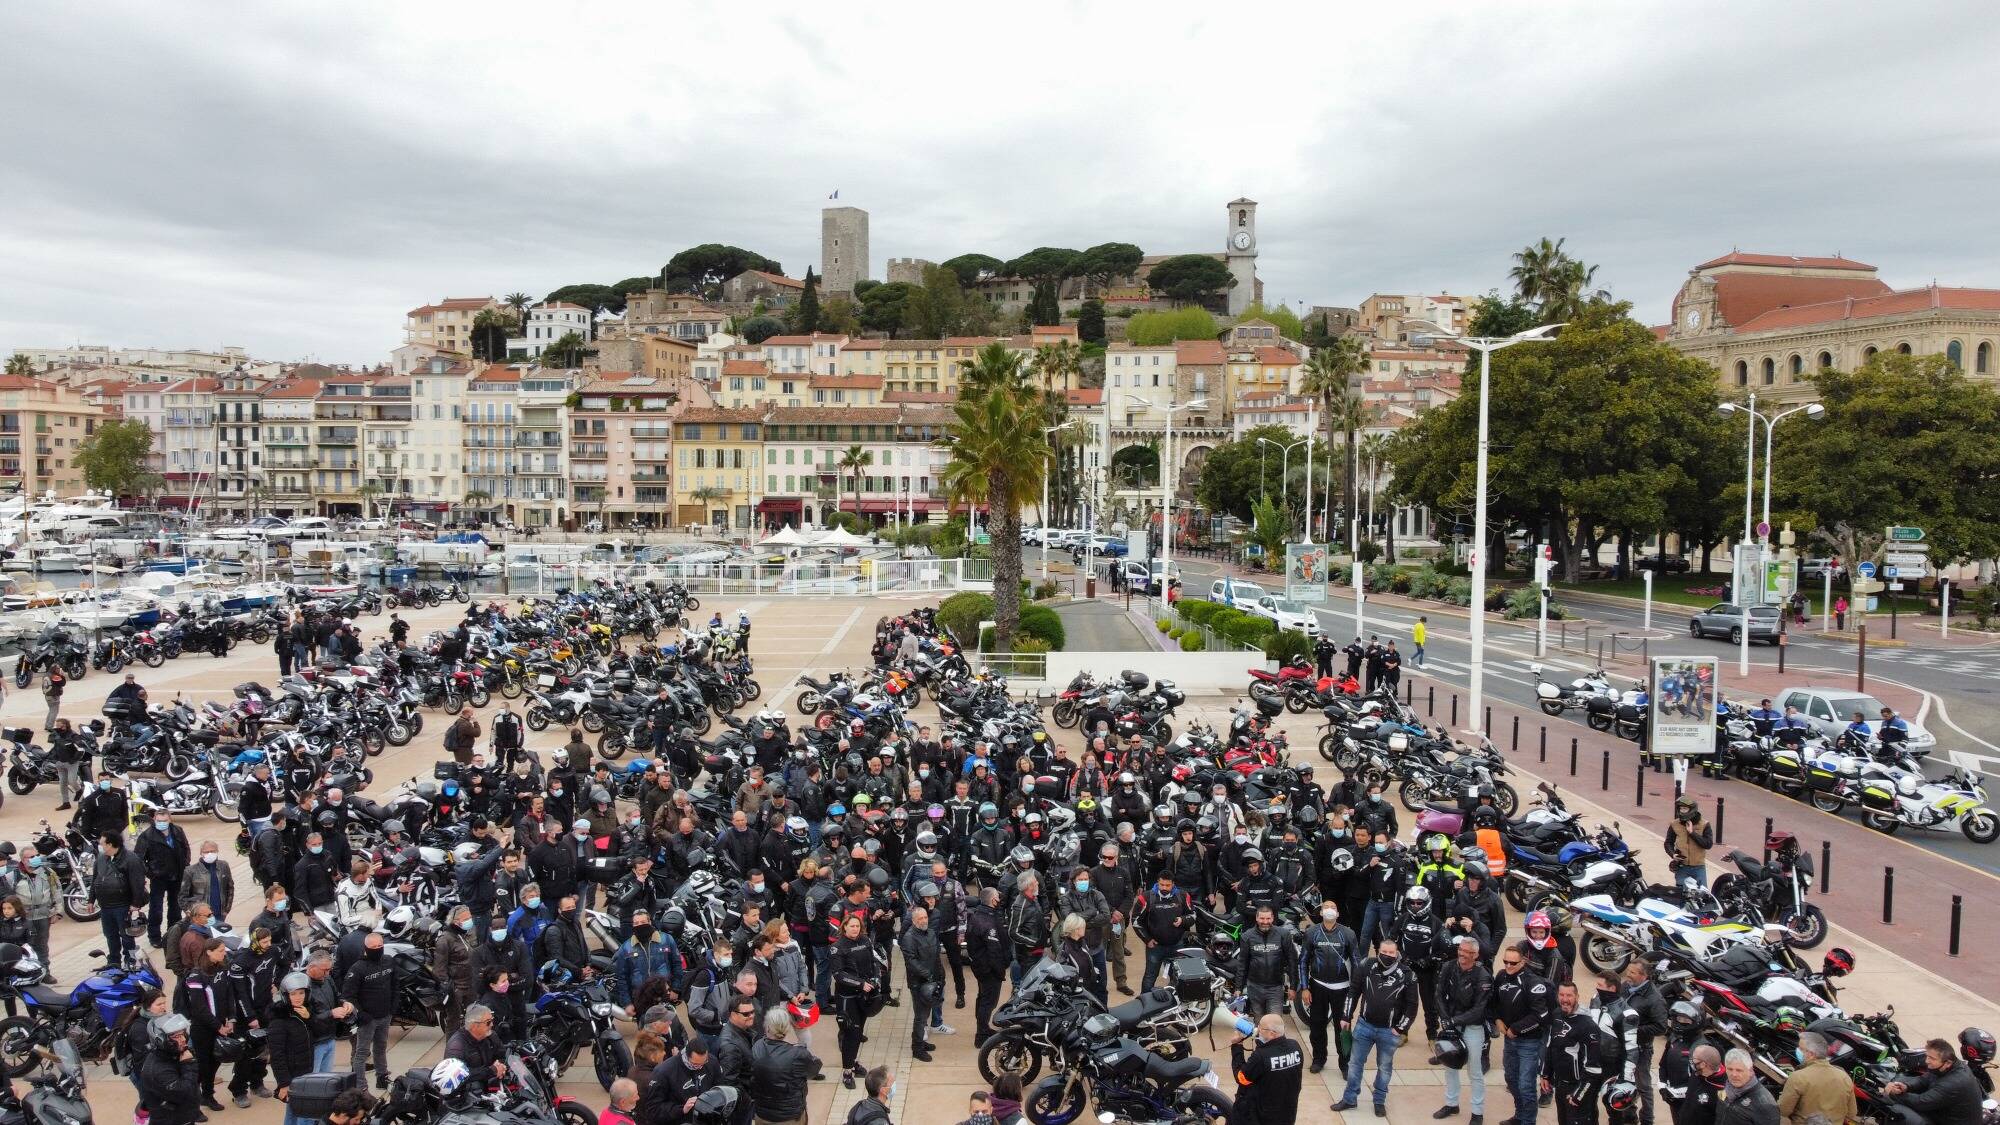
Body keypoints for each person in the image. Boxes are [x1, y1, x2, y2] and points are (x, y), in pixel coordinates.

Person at [1334, 937, 1418, 1116]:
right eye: (1384, 952)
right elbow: (1353, 992)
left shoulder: (1408, 974)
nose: (1387, 955)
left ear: (1397, 954)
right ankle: (1349, 1098)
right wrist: (1346, 1016)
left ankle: (1379, 1100)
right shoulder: (1366, 965)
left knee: (1384, 1067)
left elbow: (1412, 1006)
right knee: (1355, 1063)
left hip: (1389, 1031)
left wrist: (1400, 1029)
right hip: (1364, 1025)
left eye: (1391, 953)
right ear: (1378, 951)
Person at [1496, 940, 1558, 1125]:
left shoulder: (1533, 982)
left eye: (1513, 963)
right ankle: (1520, 1115)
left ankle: (1528, 1121)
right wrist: (1497, 1019)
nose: (1508, 966)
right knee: (1511, 1078)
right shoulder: (1501, 976)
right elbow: (1493, 1002)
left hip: (1529, 1042)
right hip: (1509, 1040)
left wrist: (1517, 1028)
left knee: (1526, 1085)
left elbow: (1541, 1015)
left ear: (1522, 962)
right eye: (1505, 961)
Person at [1435, 934, 1494, 1124]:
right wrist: (1446, 1019)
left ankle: (1477, 1111)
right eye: (1461, 950)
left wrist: (1453, 1020)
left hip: (1472, 1027)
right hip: (1451, 1023)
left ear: (1476, 955)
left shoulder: (1483, 975)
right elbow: (1438, 994)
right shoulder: (1448, 967)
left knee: (1474, 1071)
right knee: (1449, 1065)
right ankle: (1451, 1103)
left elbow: (1479, 1010)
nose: (1462, 954)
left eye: (1468, 952)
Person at [269, 971, 330, 1125]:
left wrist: (309, 1018)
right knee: (305, 1117)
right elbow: (277, 1056)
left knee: (293, 1113)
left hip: (305, 1074)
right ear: (285, 995)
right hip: (293, 1078)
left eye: (301, 993)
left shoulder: (305, 1011)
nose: (298, 997)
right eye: (293, 994)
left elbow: (321, 1032)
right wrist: (284, 1084)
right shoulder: (279, 1020)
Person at [341, 931, 398, 1090]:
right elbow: (348, 996)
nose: (378, 949)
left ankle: (382, 1077)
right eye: (374, 947)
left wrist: (393, 1006)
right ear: (366, 948)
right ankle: (361, 1086)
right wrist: (361, 1014)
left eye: (380, 946)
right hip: (368, 1019)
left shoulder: (388, 961)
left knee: (381, 1048)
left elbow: (395, 985)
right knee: (362, 1054)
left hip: (385, 1015)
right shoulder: (357, 968)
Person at [831, 913, 881, 1088]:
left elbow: (874, 962)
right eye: (852, 926)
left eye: (857, 926)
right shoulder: (837, 947)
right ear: (844, 927)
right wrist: (860, 984)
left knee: (859, 1033)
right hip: (846, 997)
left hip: (864, 996)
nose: (855, 929)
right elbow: (838, 975)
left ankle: (853, 1062)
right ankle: (847, 1071)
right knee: (850, 1034)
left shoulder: (866, 941)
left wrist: (875, 978)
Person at [1883, 1038, 1982, 1125]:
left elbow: (1920, 1102)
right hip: (1945, 1113)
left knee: (1897, 1110)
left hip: (1950, 1121)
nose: (1926, 1061)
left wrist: (1893, 1093)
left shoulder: (1953, 1083)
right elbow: (1924, 1080)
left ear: (1947, 1063)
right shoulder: (1948, 1065)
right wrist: (1906, 1086)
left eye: (1931, 1058)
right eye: (1927, 1056)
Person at [1232, 1012, 1304, 1125]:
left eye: (1261, 1027)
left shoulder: (1261, 1056)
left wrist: (1237, 1046)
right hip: (1287, 1114)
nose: (1258, 1029)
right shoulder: (1295, 1046)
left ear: (1271, 1033)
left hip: (1263, 1117)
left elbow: (1241, 1078)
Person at [749, 1008, 816, 1125]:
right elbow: (813, 1071)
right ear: (787, 1028)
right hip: (789, 1117)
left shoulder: (757, 1047)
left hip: (762, 1115)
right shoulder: (798, 1054)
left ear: (768, 1027)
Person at [137, 810, 191, 948]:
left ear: (170, 820)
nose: (161, 823)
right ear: (154, 819)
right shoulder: (147, 836)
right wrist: (151, 873)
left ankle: (173, 934)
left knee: (175, 907)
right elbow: (139, 859)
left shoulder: (177, 831)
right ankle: (154, 937)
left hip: (177, 875)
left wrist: (185, 865)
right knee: (156, 908)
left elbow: (185, 848)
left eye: (164, 820)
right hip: (158, 878)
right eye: (159, 820)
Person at [91, 832, 147, 966]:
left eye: (102, 844)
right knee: (110, 936)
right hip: (105, 907)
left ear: (110, 844)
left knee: (127, 936)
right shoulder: (100, 859)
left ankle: (130, 960)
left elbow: (138, 883)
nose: (100, 846)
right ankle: (114, 961)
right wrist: (90, 900)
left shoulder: (131, 859)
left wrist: (135, 904)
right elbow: (95, 880)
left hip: (123, 905)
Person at [1777, 1032, 1856, 1125]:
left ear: (1811, 1054)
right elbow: (1851, 1113)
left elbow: (1783, 1110)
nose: (1797, 1050)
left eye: (1801, 1049)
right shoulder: (1844, 1077)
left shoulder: (1798, 1076)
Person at [898, 905, 944, 1062]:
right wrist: (928, 975)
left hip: (932, 981)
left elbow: (936, 955)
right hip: (919, 983)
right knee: (920, 1016)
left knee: (926, 1014)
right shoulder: (909, 938)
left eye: (925, 917)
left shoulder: (930, 932)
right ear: (913, 921)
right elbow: (911, 961)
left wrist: (940, 976)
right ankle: (917, 1048)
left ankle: (921, 1042)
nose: (924, 920)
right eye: (920, 919)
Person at [142, 1012, 202, 1125]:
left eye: (183, 1034)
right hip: (171, 1120)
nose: (183, 1039)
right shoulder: (158, 1070)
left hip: (184, 1115)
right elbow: (184, 1092)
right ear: (160, 1040)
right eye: (176, 1036)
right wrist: (188, 1064)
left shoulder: (175, 1053)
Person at [444, 1003, 506, 1079]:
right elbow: (456, 1076)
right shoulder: (456, 1047)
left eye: (492, 1020)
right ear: (474, 1026)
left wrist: (500, 1066)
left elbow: (502, 1054)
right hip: (469, 1088)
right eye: (488, 1022)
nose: (492, 1024)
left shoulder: (491, 1036)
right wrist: (491, 1071)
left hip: (490, 1084)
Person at [1717, 1050, 1778, 1125]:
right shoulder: (1725, 1088)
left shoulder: (1765, 1104)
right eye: (1730, 1069)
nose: (1734, 1074)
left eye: (1739, 1070)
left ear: (1750, 1071)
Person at [1666, 797, 1713, 889]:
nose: (1682, 811)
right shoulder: (1674, 824)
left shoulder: (1704, 824)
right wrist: (1673, 855)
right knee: (1682, 895)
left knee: (1703, 895)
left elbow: (1708, 844)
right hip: (1682, 867)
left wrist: (1692, 833)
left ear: (1692, 810)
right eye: (1681, 809)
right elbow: (1668, 843)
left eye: (1685, 809)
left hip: (1699, 867)